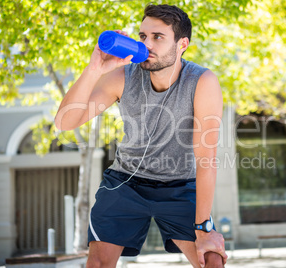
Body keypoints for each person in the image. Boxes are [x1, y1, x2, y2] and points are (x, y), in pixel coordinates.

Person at [55, 3, 226, 268]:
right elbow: (65, 121)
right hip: (125, 184)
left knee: (211, 259)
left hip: (179, 186)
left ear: (182, 44)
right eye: (143, 36)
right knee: (98, 263)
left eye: (158, 37)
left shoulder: (202, 82)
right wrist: (95, 69)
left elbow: (206, 158)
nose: (147, 44)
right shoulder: (122, 76)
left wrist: (203, 227)